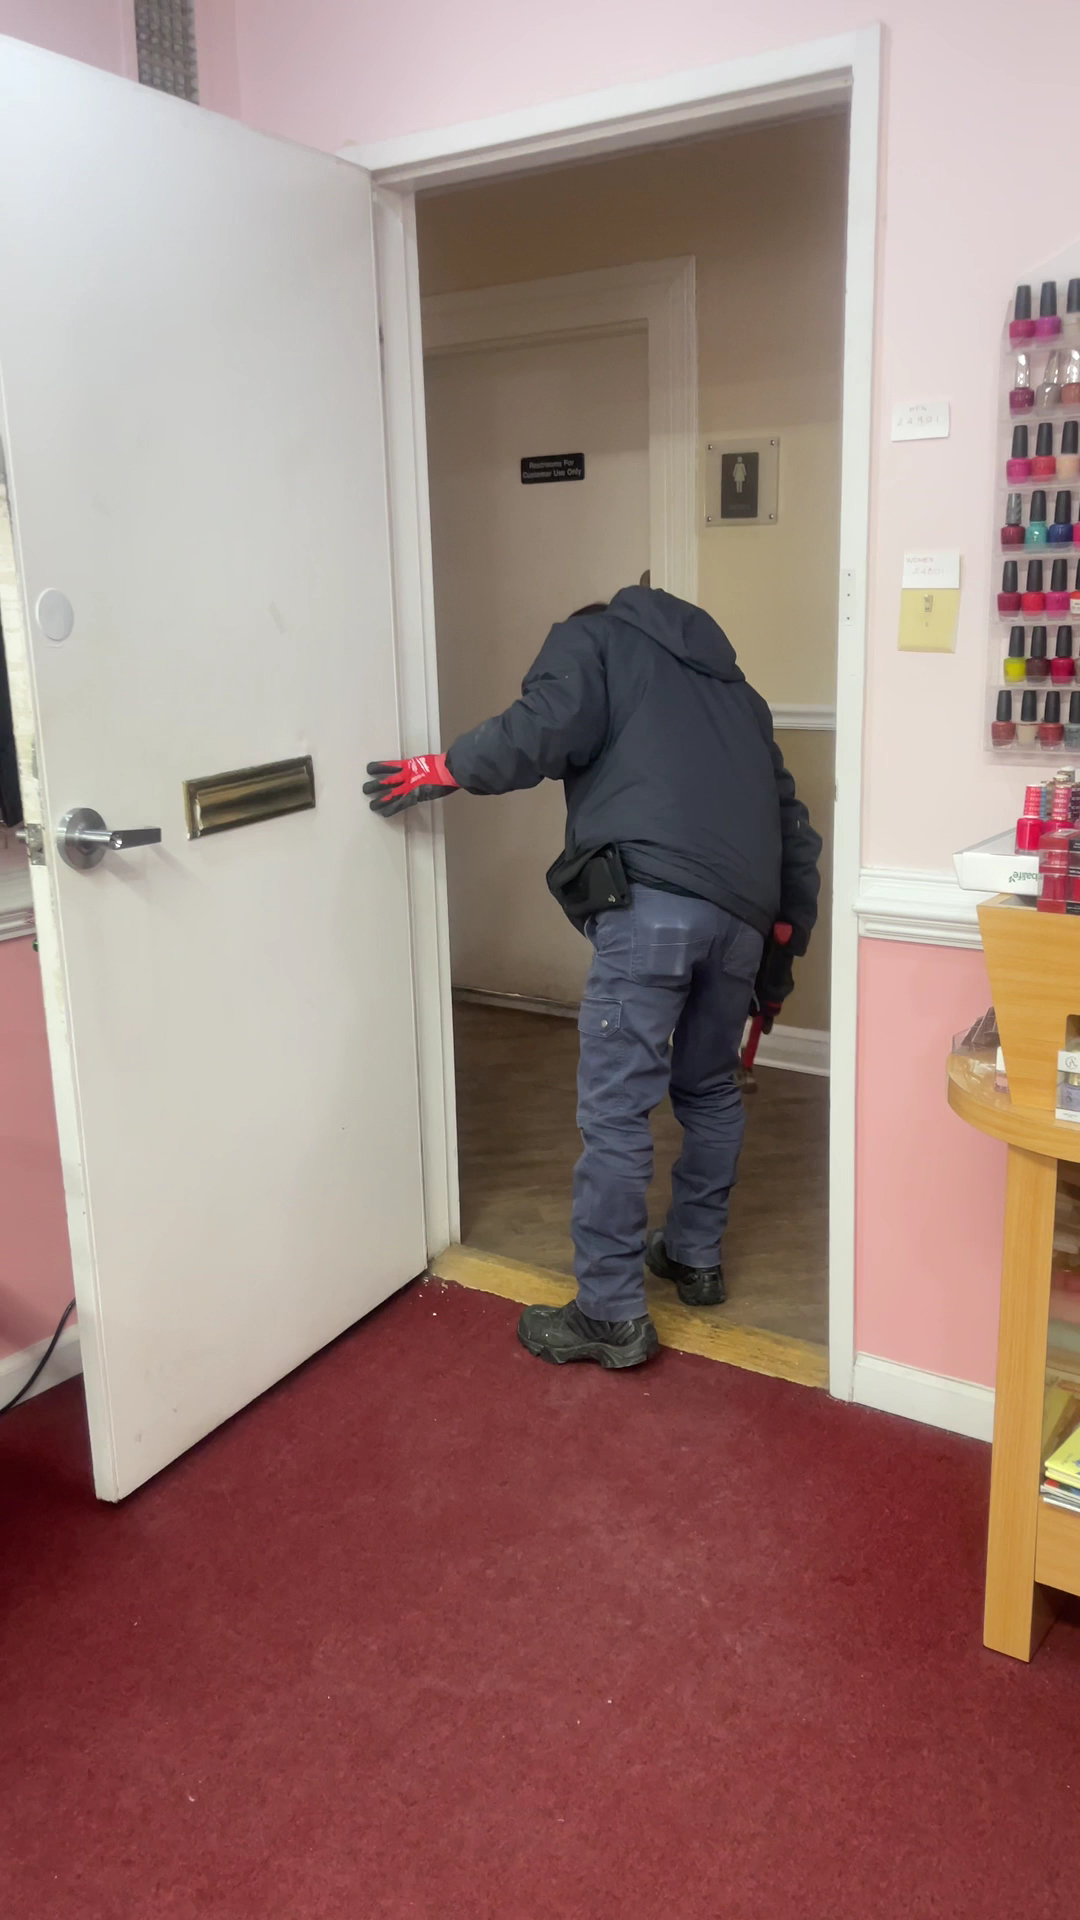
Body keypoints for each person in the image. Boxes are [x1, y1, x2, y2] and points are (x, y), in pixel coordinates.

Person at [366, 586, 821, 1371]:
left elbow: (546, 723)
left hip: (651, 909)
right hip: (741, 924)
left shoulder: (597, 640)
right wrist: (778, 965)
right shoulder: (738, 696)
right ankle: (694, 1256)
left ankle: (610, 1314)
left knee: (616, 1110)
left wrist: (446, 766)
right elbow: (795, 835)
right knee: (710, 1089)